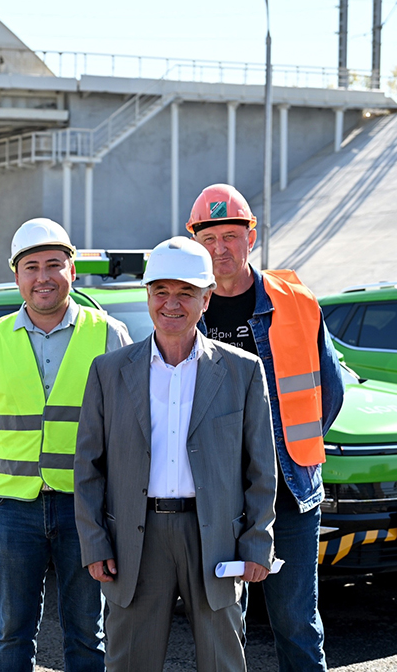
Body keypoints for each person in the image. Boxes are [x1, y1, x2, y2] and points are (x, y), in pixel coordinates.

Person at [74, 236, 278, 672]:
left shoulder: (242, 370)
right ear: (146, 294)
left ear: (207, 298)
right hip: (136, 539)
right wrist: (94, 541)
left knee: (223, 662)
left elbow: (262, 469)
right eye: (161, 291)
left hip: (215, 540)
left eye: (186, 292)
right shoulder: (108, 371)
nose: (172, 303)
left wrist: (257, 541)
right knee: (129, 662)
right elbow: (89, 467)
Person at [0, 218, 132, 672]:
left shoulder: (109, 335)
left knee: (86, 634)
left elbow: (131, 425)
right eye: (31, 266)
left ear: (72, 270)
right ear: (16, 275)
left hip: (86, 509)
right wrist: (4, 467)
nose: (43, 277)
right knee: (13, 634)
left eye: (54, 264)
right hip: (14, 508)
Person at [187, 183, 344, 672]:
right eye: (209, 239)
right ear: (196, 242)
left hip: (290, 492)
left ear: (251, 237)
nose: (220, 249)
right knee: (222, 626)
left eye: (230, 236)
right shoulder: (187, 306)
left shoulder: (295, 301)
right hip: (217, 498)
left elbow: (330, 392)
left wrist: (285, 448)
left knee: (296, 624)